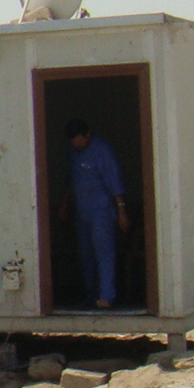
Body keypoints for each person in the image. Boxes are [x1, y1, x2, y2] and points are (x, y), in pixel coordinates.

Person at [60, 117, 129, 310]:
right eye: (74, 141)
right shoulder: (74, 153)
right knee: (86, 256)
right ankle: (91, 296)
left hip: (102, 212)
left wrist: (122, 211)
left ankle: (107, 296)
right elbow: (72, 181)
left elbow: (115, 183)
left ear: (88, 135)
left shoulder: (102, 152)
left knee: (104, 254)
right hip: (82, 212)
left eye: (80, 140)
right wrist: (65, 203)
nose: (77, 144)